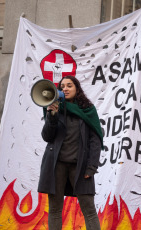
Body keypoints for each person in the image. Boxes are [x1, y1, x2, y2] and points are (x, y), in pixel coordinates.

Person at [37, 75, 103, 230]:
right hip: (56, 165)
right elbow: (47, 137)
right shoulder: (54, 107)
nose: (65, 89)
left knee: (89, 209)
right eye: (62, 86)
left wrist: (91, 167)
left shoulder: (88, 110)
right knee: (54, 209)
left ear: (77, 88)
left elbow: (96, 140)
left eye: (69, 85)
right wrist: (51, 117)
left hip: (79, 166)